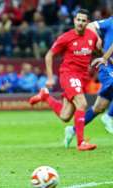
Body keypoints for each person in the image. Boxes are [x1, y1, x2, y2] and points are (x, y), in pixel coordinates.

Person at [29, 9, 99, 151]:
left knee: (65, 116)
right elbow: (49, 55)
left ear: (87, 23)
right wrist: (49, 78)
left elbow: (98, 51)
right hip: (69, 74)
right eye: (78, 20)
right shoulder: (65, 37)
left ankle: (46, 96)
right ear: (74, 21)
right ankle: (81, 143)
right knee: (82, 103)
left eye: (83, 20)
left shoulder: (92, 36)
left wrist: (105, 59)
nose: (80, 23)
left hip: (83, 78)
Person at [63, 16, 113, 147]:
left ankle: (72, 130)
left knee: (98, 107)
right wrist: (98, 38)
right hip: (107, 65)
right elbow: (90, 26)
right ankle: (110, 116)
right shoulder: (109, 22)